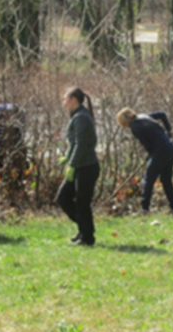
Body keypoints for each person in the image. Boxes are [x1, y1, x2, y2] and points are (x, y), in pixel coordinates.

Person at [56, 87, 100, 247]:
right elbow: (75, 142)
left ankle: (87, 238)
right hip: (81, 165)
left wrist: (72, 165)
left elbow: (82, 144)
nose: (63, 103)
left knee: (82, 203)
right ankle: (85, 229)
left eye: (65, 99)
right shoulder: (78, 116)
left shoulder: (81, 117)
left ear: (73, 99)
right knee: (63, 197)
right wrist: (66, 157)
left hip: (86, 167)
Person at [116, 108, 173, 213]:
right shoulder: (144, 116)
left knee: (149, 178)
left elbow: (147, 144)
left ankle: (145, 208)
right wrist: (168, 130)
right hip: (170, 147)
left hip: (160, 151)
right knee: (166, 179)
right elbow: (162, 114)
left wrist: (150, 155)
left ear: (125, 120)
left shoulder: (135, 127)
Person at [0, 103, 27, 181]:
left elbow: (22, 132)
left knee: (18, 167)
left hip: (15, 143)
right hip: (0, 143)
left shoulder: (19, 112)